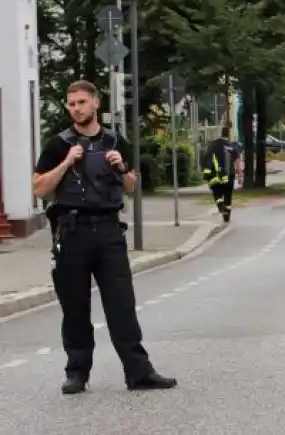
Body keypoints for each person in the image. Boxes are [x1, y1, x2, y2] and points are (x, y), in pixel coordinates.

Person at [33, 80, 177, 394]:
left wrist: (121, 168)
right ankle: (77, 372)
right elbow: (40, 188)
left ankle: (139, 372)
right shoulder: (57, 144)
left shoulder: (114, 140)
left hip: (109, 231)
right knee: (75, 305)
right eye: (71, 104)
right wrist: (66, 163)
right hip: (72, 232)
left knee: (122, 303)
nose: (76, 108)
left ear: (96, 103)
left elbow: (131, 187)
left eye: (82, 102)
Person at [202, 126, 242, 222]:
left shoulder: (214, 145)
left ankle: (220, 206)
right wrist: (240, 175)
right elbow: (237, 162)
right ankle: (227, 216)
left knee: (217, 192)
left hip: (216, 175)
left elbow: (207, 157)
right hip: (229, 175)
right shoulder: (232, 147)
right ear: (229, 134)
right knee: (228, 195)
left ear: (221, 133)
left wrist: (206, 172)